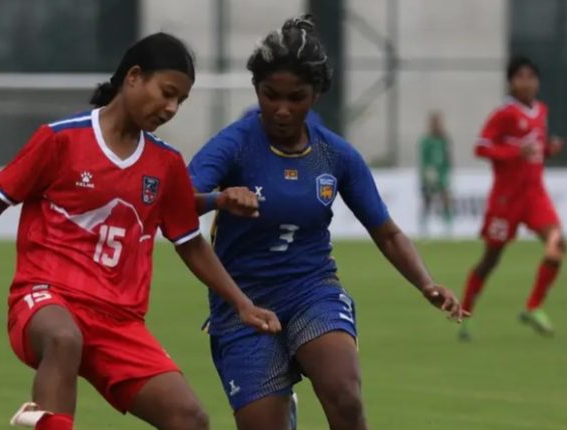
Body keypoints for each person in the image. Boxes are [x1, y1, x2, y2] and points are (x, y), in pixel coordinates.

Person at [0, 32, 280, 430]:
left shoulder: (165, 163)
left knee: (189, 418)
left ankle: (42, 420)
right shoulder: (61, 139)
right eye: (166, 93)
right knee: (63, 339)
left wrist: (242, 303)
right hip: (46, 297)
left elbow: (187, 239)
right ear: (133, 77)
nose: (171, 107)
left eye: (180, 100)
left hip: (119, 320)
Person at [189, 15, 466, 430]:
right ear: (256, 89)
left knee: (344, 396)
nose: (282, 109)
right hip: (242, 301)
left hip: (311, 288)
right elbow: (176, 202)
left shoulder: (335, 155)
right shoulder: (235, 144)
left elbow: (387, 233)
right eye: (270, 95)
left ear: (316, 93)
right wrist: (219, 199)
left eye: (296, 97)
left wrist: (426, 283)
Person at [459, 56, 564, 341]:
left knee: (557, 244)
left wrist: (549, 149)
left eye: (531, 77)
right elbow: (481, 148)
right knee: (491, 259)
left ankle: (533, 307)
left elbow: (535, 148)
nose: (527, 82)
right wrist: (515, 152)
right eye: (520, 77)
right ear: (511, 82)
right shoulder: (504, 114)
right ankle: (465, 313)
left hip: (535, 195)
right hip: (506, 199)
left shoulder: (541, 111)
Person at [419, 111, 453, 237]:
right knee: (427, 199)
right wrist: (426, 173)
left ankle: (448, 225)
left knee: (445, 197)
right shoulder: (426, 141)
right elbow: (423, 159)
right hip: (429, 174)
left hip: (442, 173)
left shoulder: (444, 139)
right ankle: (423, 225)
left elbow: (448, 157)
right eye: (436, 122)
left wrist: (448, 171)